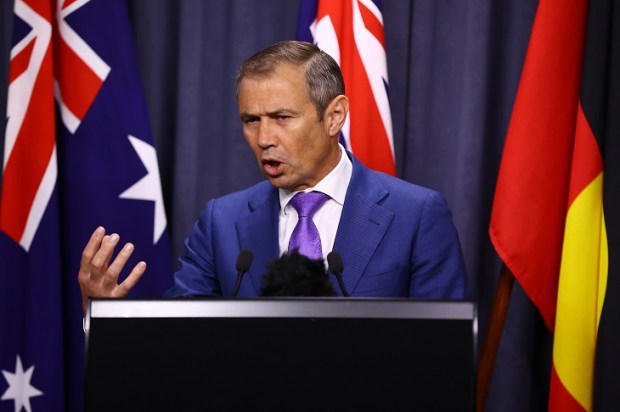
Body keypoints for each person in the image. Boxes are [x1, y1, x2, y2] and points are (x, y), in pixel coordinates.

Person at [78, 40, 467, 311]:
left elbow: (442, 355)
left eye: (282, 117)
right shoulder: (221, 223)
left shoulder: (416, 215)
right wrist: (107, 317)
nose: (263, 138)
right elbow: (180, 349)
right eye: (251, 120)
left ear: (334, 116)